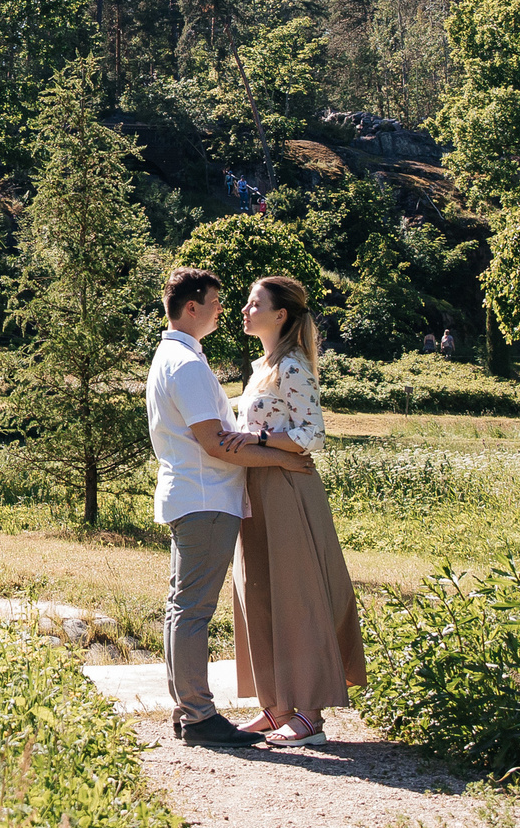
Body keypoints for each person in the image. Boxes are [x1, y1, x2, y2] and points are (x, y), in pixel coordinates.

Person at [147, 267, 319, 746]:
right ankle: (199, 716)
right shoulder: (186, 365)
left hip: (202, 496)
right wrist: (282, 461)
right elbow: (216, 443)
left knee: (184, 607)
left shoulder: (179, 358)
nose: (225, 308)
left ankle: (190, 712)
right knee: (192, 610)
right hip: (205, 498)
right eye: (218, 300)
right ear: (193, 307)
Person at [225, 276, 369, 747]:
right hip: (255, 485)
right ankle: (277, 705)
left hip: (286, 486)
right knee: (258, 590)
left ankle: (309, 713)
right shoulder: (261, 367)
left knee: (296, 593)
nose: (244, 310)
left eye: (254, 303)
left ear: (280, 314)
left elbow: (313, 434)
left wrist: (257, 439)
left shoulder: (292, 366)